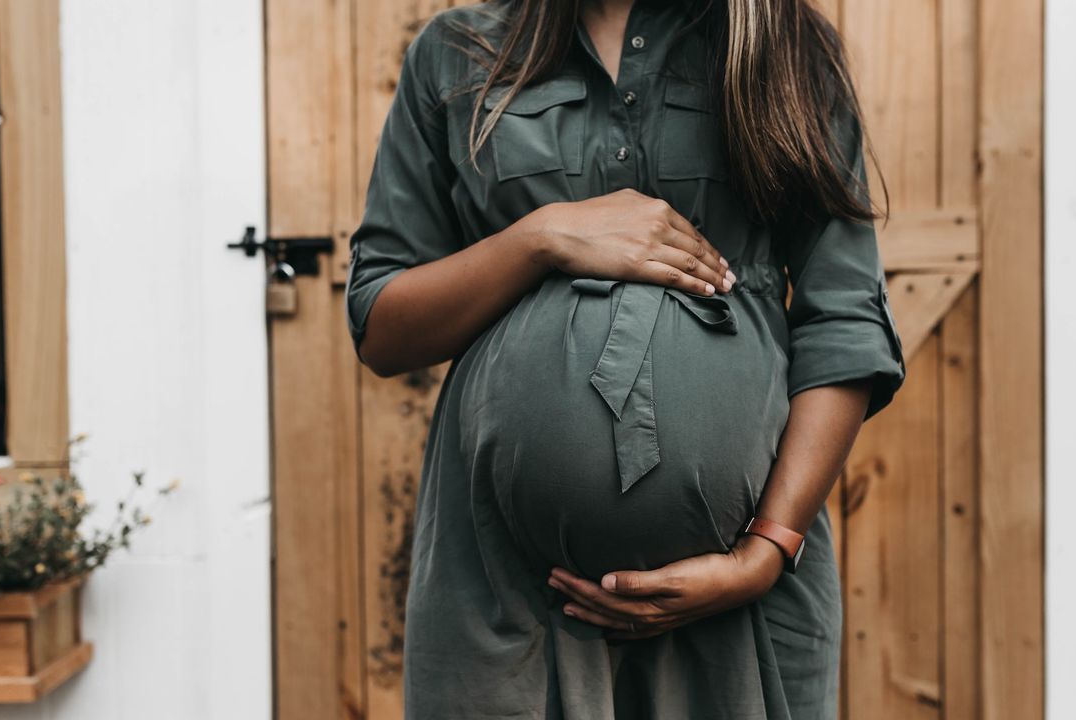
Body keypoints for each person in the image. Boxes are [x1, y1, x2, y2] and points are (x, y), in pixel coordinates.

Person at [344, 0, 906, 717]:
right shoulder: (457, 52)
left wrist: (765, 552)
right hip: (507, 602)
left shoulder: (785, 45)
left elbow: (845, 319)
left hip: (741, 601)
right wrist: (540, 237)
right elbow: (383, 327)